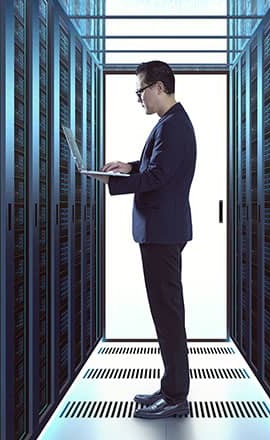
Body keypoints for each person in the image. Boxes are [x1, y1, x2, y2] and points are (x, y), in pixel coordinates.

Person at [88, 60, 196, 419]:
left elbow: (158, 177)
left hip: (162, 234)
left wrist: (113, 184)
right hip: (161, 233)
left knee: (168, 314)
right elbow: (154, 167)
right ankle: (169, 388)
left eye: (141, 91)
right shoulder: (169, 123)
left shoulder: (175, 126)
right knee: (165, 313)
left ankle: (176, 395)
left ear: (159, 88)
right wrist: (128, 166)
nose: (139, 98)